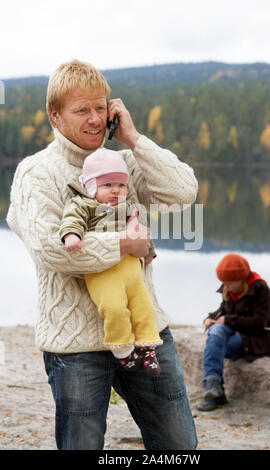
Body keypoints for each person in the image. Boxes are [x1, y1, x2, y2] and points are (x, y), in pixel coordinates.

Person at [6, 60, 198, 450]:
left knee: (179, 446)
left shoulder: (125, 164)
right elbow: (50, 249)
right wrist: (123, 246)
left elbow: (183, 193)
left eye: (101, 108)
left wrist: (133, 139)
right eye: (82, 110)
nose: (95, 120)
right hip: (76, 347)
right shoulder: (36, 173)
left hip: (145, 334)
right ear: (54, 116)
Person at [59, 147, 162, 376]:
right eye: (107, 185)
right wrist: (72, 235)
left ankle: (148, 348)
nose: (116, 191)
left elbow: (143, 232)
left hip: (132, 270)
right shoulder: (83, 205)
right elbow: (72, 220)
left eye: (121, 185)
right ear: (91, 186)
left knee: (144, 308)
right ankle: (123, 350)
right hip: (103, 272)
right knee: (113, 308)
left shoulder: (129, 208)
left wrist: (148, 252)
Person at [197, 253, 270, 412]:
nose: (225, 287)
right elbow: (222, 310)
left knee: (215, 340)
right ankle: (213, 389)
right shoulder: (229, 290)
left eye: (229, 283)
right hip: (233, 338)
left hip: (253, 341)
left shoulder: (260, 289)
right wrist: (210, 318)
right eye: (223, 283)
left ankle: (214, 393)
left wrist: (228, 321)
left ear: (241, 279)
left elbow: (260, 322)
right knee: (215, 331)